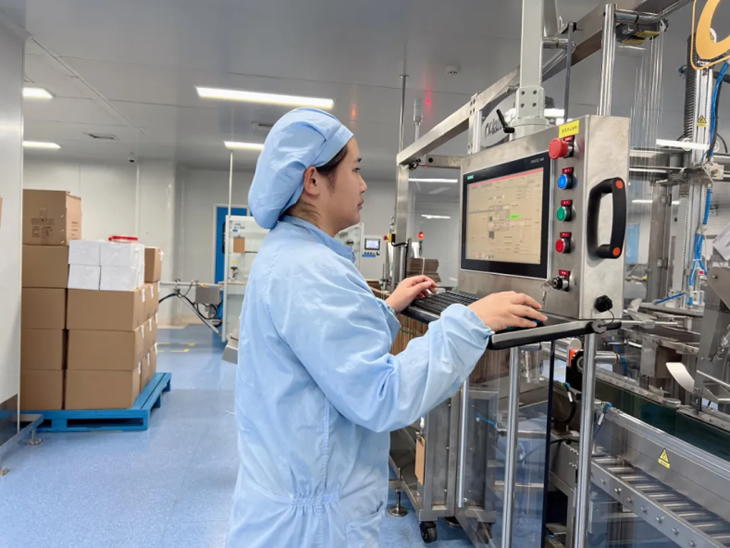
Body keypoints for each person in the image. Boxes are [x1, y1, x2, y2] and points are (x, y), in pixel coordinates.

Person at [227, 108, 546, 548]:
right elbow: (381, 396)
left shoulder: (292, 254)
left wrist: (386, 309)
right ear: (313, 180)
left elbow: (327, 351)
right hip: (313, 529)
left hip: (293, 504)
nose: (362, 185)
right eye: (355, 169)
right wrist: (470, 323)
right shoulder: (310, 270)